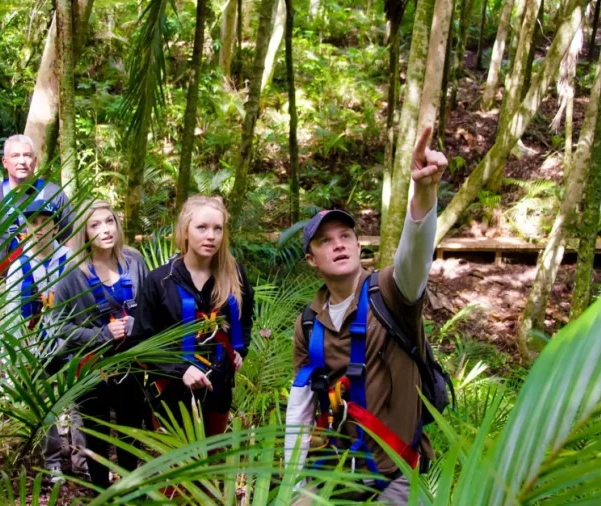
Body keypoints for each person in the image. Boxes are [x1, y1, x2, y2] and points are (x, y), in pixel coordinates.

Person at [284, 126, 448, 505]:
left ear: (359, 246)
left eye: (345, 236)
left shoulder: (392, 293)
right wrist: (293, 482)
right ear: (311, 260)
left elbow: (415, 256)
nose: (338, 244)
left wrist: (424, 192)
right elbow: (301, 405)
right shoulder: (309, 323)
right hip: (332, 468)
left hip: (396, 470)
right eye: (325, 240)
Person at [132, 195, 254, 440]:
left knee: (211, 460)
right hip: (171, 391)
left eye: (217, 229)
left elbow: (246, 316)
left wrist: (240, 350)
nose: (211, 236)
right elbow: (142, 342)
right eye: (202, 228)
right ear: (185, 231)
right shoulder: (160, 281)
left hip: (218, 387)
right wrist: (179, 370)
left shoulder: (234, 274)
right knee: (178, 467)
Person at [48, 200, 150, 489]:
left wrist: (135, 325)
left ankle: (131, 488)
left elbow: (149, 307)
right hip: (91, 368)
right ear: (84, 232)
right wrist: (102, 334)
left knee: (131, 431)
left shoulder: (134, 261)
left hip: (131, 363)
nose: (105, 230)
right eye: (95, 225)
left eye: (109, 221)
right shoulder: (73, 272)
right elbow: (59, 328)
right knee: (96, 434)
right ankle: (101, 492)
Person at [0, 199, 85, 484]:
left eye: (45, 221)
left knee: (79, 402)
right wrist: (14, 355)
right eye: (32, 222)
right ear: (24, 229)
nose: (39, 228)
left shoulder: (70, 260)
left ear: (55, 226)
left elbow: (84, 302)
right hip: (36, 346)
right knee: (44, 408)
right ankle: (53, 461)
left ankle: (83, 460)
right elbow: (10, 313)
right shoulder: (19, 267)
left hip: (71, 342)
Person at [0, 135, 73, 247]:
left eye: (27, 155)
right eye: (15, 156)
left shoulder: (53, 194)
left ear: (35, 161)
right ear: (5, 162)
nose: (22, 161)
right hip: (0, 263)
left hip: (45, 263)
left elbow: (70, 239)